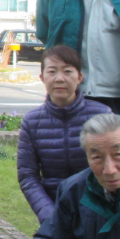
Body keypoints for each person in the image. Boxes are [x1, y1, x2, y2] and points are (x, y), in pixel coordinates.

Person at [17, 45, 111, 225]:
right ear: (42, 78)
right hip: (54, 212)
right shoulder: (32, 122)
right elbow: (28, 177)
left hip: (98, 213)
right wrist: (50, 216)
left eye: (67, 71)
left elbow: (114, 168)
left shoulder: (102, 115)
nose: (59, 78)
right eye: (52, 72)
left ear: (80, 77)